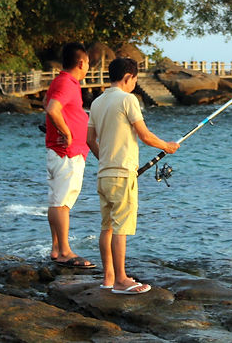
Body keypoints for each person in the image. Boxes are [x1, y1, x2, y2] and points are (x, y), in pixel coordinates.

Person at [87, 57, 180, 294]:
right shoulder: (128, 100)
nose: (134, 85)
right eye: (134, 81)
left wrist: (106, 160)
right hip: (122, 175)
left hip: (104, 174)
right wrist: (166, 146)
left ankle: (108, 277)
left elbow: (90, 140)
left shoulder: (97, 103)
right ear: (128, 77)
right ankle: (121, 280)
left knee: (106, 226)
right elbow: (145, 136)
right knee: (121, 227)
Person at [43, 42, 95, 268]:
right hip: (66, 152)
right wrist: (66, 132)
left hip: (63, 151)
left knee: (58, 200)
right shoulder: (68, 83)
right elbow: (52, 108)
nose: (88, 68)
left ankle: (57, 248)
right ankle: (64, 250)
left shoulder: (60, 81)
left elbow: (48, 103)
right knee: (61, 202)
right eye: (88, 64)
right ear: (81, 62)